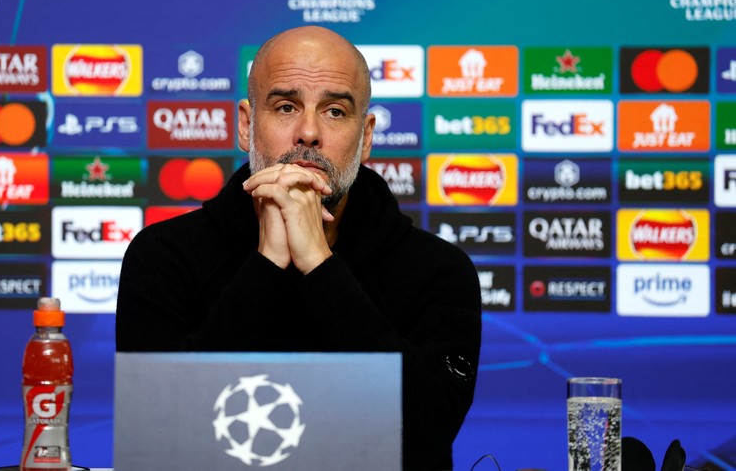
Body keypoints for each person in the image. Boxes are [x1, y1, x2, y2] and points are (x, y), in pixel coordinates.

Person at [116, 26, 481, 470]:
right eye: (286, 107)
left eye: (334, 111)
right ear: (247, 126)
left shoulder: (439, 270)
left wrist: (319, 266)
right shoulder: (162, 256)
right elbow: (158, 441)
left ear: (365, 137)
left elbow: (425, 439)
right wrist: (266, 265)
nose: (308, 132)